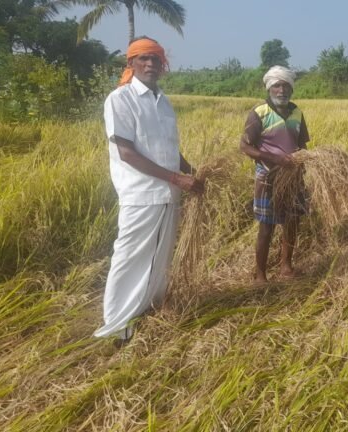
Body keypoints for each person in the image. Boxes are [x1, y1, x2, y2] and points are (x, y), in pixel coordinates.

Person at [95, 37, 203, 343]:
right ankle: (116, 324)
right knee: (129, 257)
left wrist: (190, 171)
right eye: (143, 59)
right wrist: (176, 178)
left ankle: (148, 307)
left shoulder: (163, 101)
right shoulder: (120, 99)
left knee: (160, 255)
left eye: (156, 60)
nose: (151, 65)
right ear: (130, 64)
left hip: (169, 194)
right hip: (141, 194)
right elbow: (127, 152)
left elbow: (169, 147)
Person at [240, 65, 310, 283]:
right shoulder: (259, 113)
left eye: (286, 86)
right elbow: (245, 147)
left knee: (291, 223)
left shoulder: (297, 113)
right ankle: (260, 274)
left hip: (293, 177)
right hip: (268, 177)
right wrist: (275, 159)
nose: (282, 90)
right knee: (266, 227)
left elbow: (302, 146)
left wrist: (306, 162)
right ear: (269, 88)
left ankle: (286, 267)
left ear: (292, 89)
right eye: (277, 85)